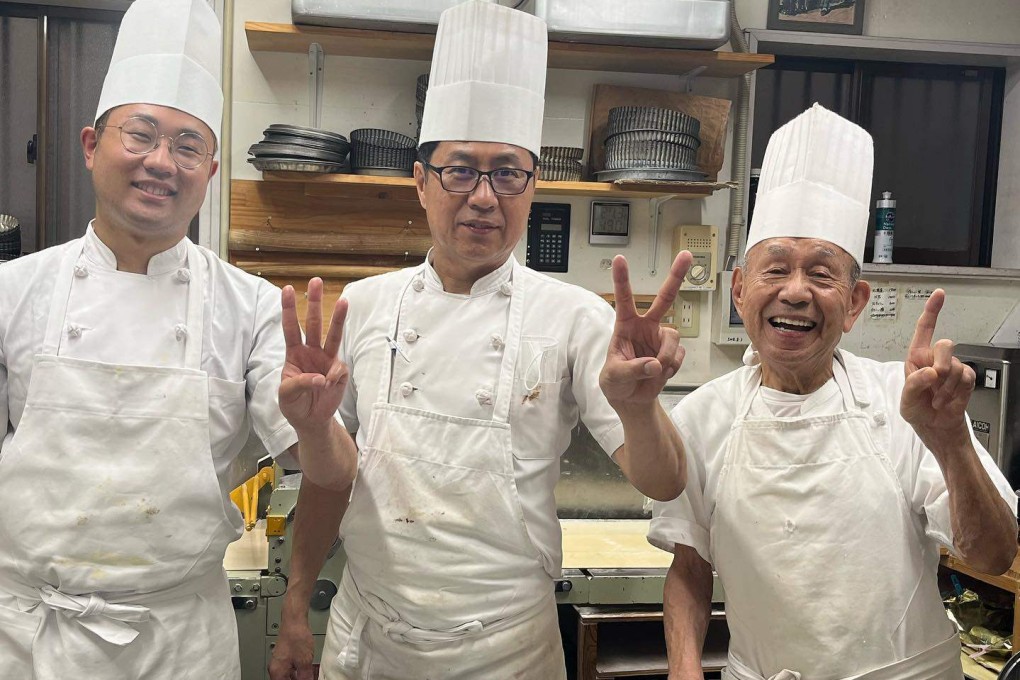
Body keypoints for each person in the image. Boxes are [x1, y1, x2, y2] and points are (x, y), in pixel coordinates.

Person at [268, 2, 690, 679]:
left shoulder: (574, 317)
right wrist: (295, 601)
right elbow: (330, 481)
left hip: (506, 653)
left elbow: (664, 482)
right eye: (460, 170)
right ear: (420, 182)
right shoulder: (363, 308)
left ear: (532, 185)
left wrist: (640, 409)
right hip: (369, 641)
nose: (485, 197)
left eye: (508, 172)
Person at [0, 1, 347, 677]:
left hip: (181, 641)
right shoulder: (14, 291)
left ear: (210, 173)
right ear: (91, 146)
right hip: (28, 635)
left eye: (188, 147)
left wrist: (316, 427)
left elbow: (331, 475)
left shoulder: (250, 307)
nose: (161, 162)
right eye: (141, 136)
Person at [650, 103, 1018, 680]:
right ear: (740, 291)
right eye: (775, 270)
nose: (796, 292)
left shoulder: (907, 402)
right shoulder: (700, 418)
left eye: (821, 274)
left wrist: (951, 443)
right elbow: (690, 569)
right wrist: (684, 670)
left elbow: (993, 555)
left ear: (854, 303)